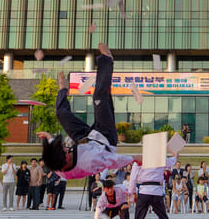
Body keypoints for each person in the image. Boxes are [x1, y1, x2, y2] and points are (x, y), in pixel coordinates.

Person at [39, 44, 137, 183]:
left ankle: (63, 90)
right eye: (66, 151)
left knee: (61, 113)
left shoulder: (55, 164)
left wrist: (49, 138)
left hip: (86, 139)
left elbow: (53, 152)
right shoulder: (91, 162)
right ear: (66, 159)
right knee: (99, 97)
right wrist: (136, 159)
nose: (68, 149)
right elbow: (115, 160)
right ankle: (107, 60)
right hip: (105, 140)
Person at [126, 148, 179, 219]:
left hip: (144, 192)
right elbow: (172, 161)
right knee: (164, 218)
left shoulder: (140, 159)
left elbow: (133, 179)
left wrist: (133, 193)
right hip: (156, 192)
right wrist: (175, 154)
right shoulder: (160, 158)